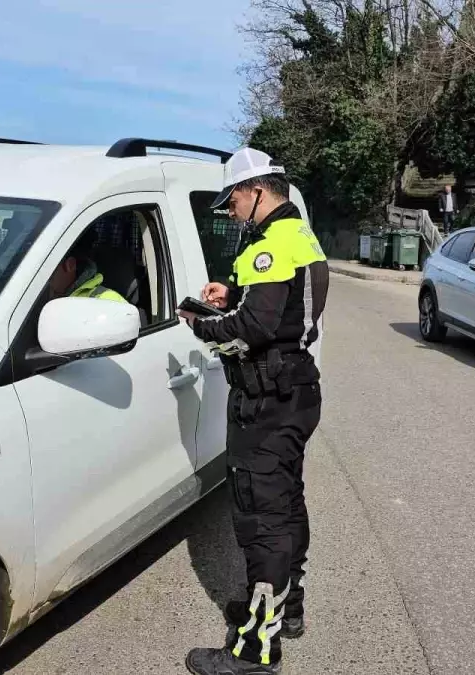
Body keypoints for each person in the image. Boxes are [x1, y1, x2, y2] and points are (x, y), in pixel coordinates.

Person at [179, 148, 328, 675]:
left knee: (262, 521)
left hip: (266, 401)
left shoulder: (268, 246)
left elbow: (255, 329)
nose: (231, 211)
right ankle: (288, 610)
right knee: (286, 507)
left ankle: (256, 651)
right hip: (294, 391)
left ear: (257, 191)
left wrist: (201, 325)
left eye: (233, 200)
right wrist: (234, 294)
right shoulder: (299, 234)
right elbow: (280, 306)